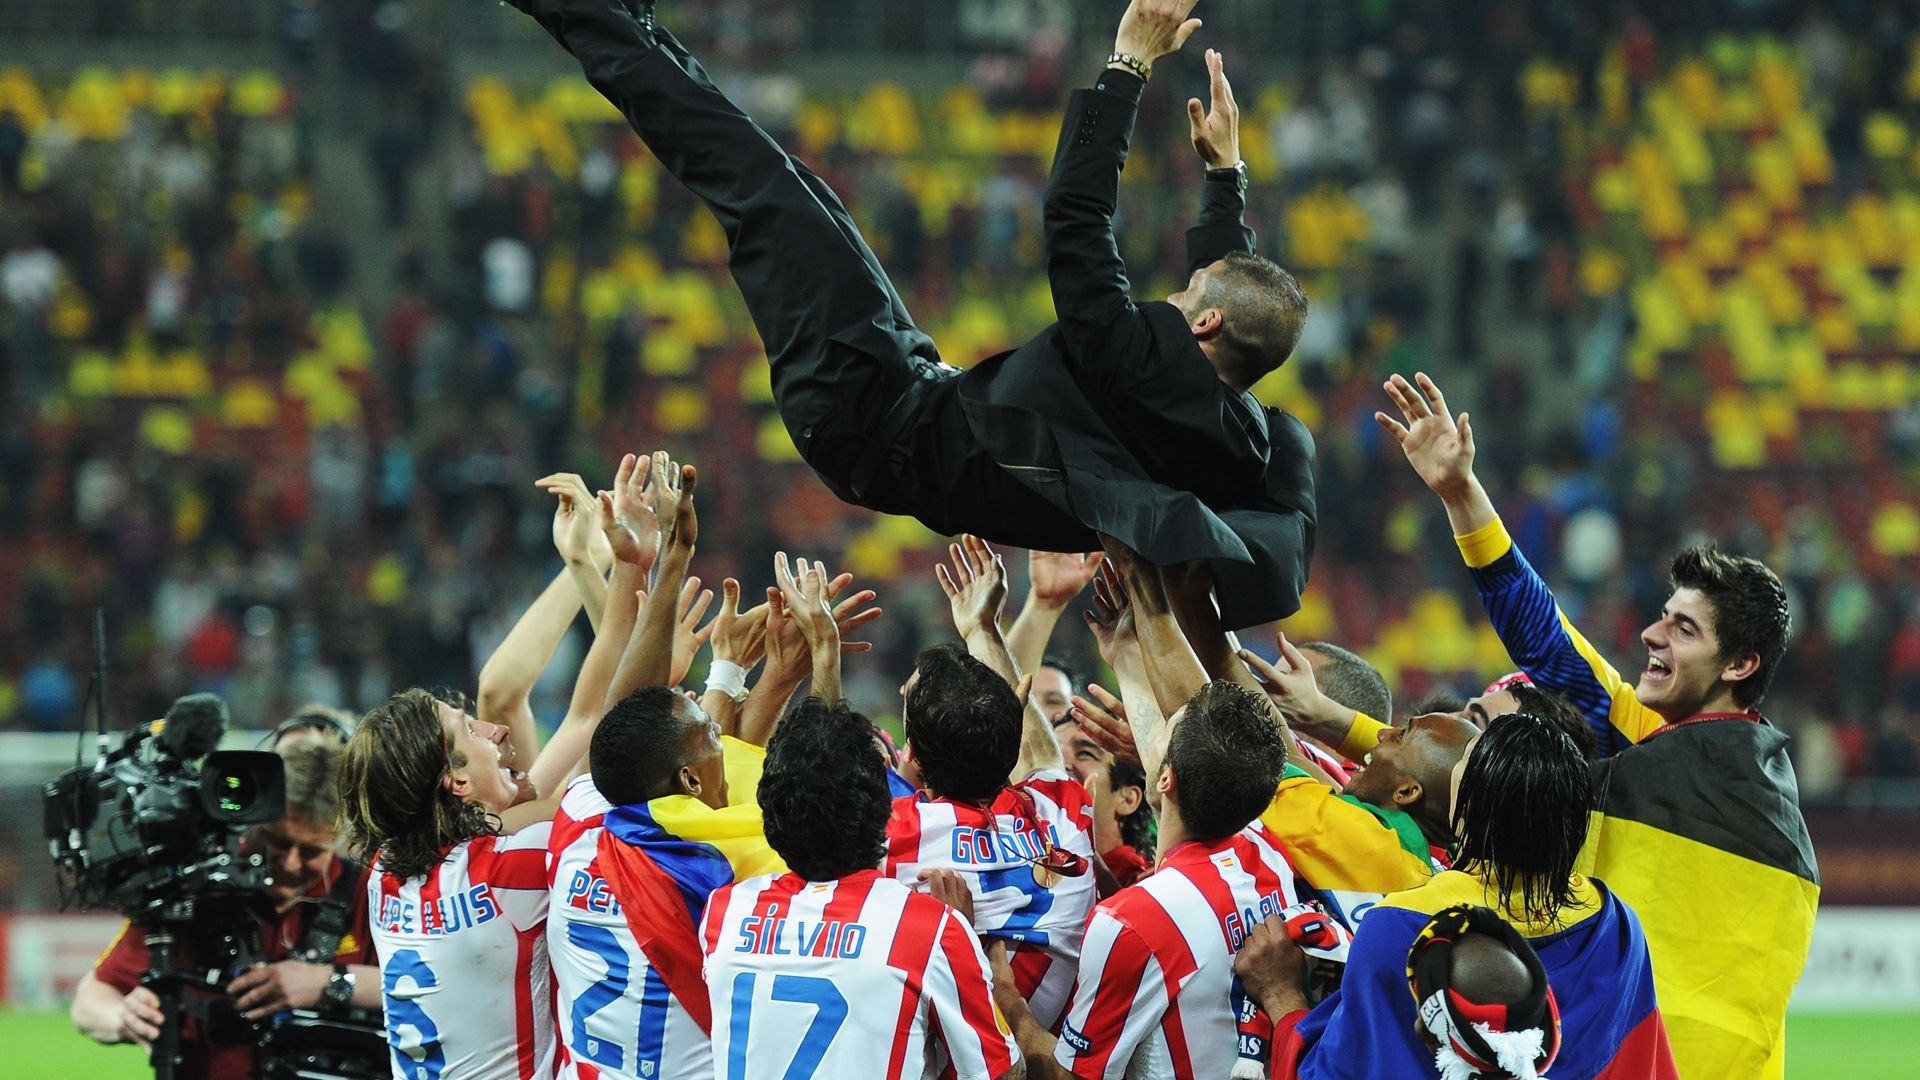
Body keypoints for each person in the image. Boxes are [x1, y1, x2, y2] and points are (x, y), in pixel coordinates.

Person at [506, 0, 1316, 629]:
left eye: (1187, 292)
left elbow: (1076, 211)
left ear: (1203, 327)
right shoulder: (1233, 441)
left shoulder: (1131, 356)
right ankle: (627, 24)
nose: (1175, 292)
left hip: (867, 406)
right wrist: (1225, 181)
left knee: (754, 181)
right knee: (788, 185)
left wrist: (1128, 63)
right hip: (898, 403)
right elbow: (1234, 303)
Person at [1379, 371, 1817, 1080]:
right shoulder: (1660, 743)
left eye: (1682, 629)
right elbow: (1544, 639)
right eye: (1659, 616)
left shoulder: (1717, 777)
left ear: (1739, 664)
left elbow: (1495, 786)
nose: (1650, 635)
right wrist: (1462, 495)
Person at [1245, 711, 1678, 1079]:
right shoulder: (1619, 926)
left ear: (1466, 809)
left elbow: (1338, 1071)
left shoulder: (1404, 926)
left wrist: (1283, 998)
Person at [701, 695, 1021, 1080]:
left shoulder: (724, 911)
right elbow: (999, 1073)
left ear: (769, 817)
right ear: (884, 809)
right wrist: (974, 958)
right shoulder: (932, 929)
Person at [71, 742, 381, 1080]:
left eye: (311, 851)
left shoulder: (369, 891)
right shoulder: (197, 883)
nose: (290, 863)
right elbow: (90, 1000)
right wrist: (123, 1017)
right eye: (277, 841)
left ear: (340, 840)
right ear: (253, 817)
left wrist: (330, 981)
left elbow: (429, 991)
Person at [886, 537, 1098, 1029]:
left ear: (911, 755)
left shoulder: (889, 839)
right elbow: (1041, 751)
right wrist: (983, 630)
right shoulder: (1063, 819)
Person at [343, 690, 564, 1080]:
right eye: (467, 728)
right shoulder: (507, 866)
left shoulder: (382, 874)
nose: (489, 732)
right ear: (457, 781)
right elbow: (601, 778)